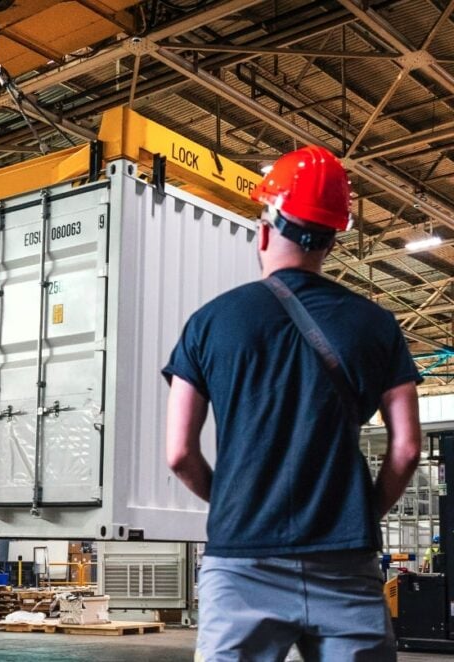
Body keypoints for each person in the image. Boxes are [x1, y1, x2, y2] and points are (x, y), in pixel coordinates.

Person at [163, 145, 422, 661]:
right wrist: (363, 513)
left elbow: (179, 454)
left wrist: (238, 503)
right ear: (330, 238)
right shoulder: (376, 324)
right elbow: (408, 448)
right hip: (344, 559)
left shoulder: (210, 323)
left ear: (265, 229)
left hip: (242, 563)